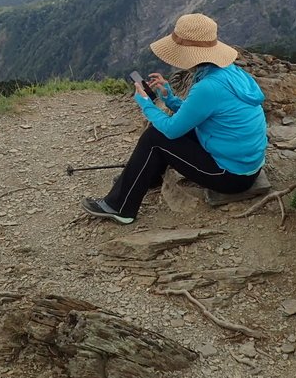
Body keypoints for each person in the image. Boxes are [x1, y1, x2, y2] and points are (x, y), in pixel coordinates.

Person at [81, 13, 268, 224]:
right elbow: (199, 113)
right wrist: (169, 98)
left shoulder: (208, 86)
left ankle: (120, 207)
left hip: (231, 177)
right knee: (170, 132)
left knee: (155, 137)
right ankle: (147, 177)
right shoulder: (229, 72)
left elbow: (171, 130)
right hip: (247, 164)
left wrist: (146, 104)